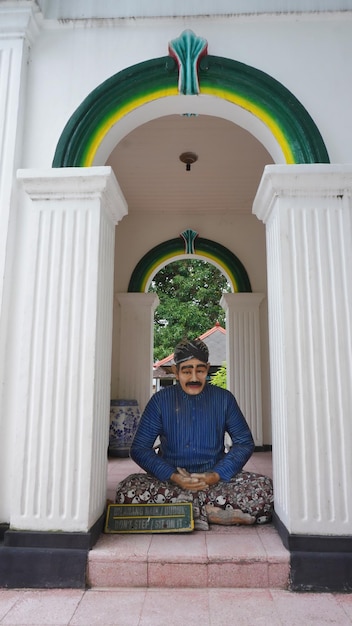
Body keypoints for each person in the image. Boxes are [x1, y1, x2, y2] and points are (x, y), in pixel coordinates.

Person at [115, 338, 274, 530]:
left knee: (265, 489)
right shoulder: (160, 401)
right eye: (186, 371)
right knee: (127, 489)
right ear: (175, 371)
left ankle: (184, 512)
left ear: (207, 368)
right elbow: (140, 448)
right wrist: (174, 476)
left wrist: (215, 475)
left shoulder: (224, 399)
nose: (194, 378)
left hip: (215, 481)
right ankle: (211, 513)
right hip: (172, 480)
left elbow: (244, 443)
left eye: (199, 370)